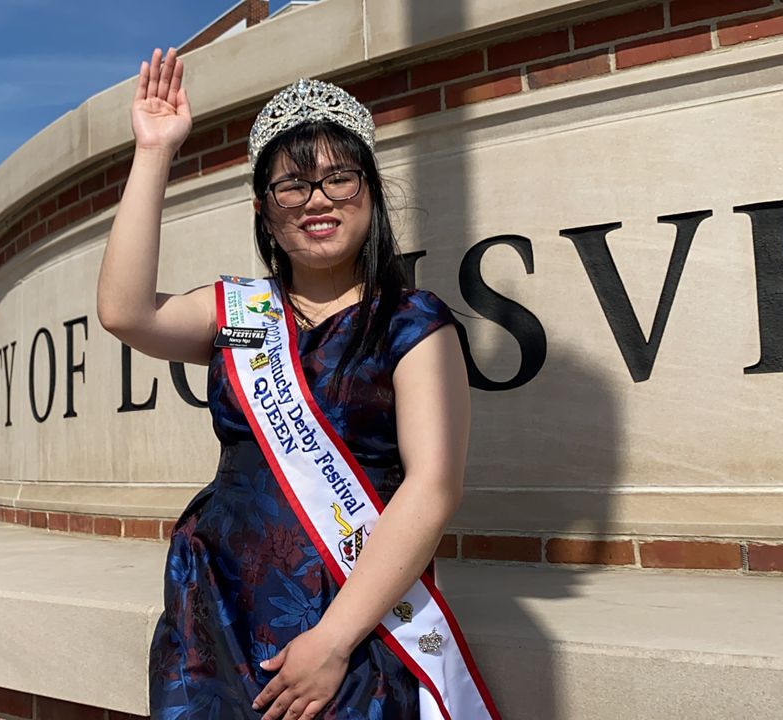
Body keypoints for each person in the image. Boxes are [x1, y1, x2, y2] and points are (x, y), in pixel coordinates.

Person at [97, 48, 496, 720]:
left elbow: (433, 489)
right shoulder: (239, 313)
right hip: (214, 611)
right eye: (293, 184)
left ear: (369, 189)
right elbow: (124, 311)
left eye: (340, 178)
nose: (318, 201)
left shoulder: (410, 322)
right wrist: (155, 152)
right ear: (264, 207)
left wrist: (333, 641)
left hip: (344, 618)